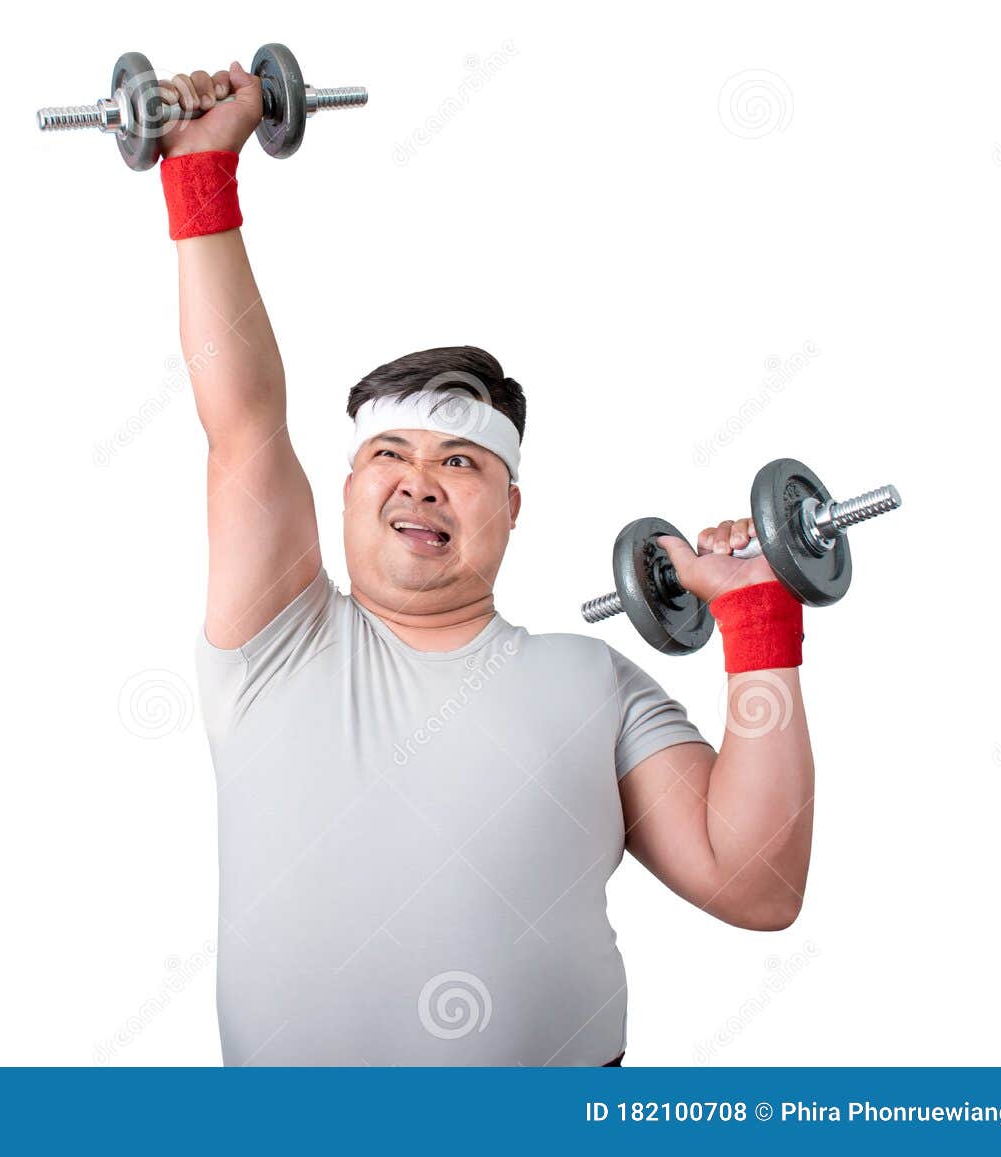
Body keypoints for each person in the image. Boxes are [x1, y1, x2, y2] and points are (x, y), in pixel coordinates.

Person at [157, 60, 814, 1066]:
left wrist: (760, 618)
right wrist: (201, 175)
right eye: (389, 456)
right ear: (341, 493)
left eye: (458, 462)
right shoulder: (277, 639)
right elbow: (242, 421)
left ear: (509, 509)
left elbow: (756, 883)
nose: (419, 483)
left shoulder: (593, 679)